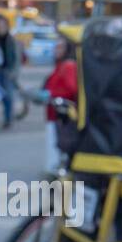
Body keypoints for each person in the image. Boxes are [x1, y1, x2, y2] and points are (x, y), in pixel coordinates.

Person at [41, 37, 78, 175]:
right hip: (54, 113)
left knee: (58, 147)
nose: (56, 50)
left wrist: (51, 94)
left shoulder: (68, 66)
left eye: (60, 47)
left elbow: (72, 89)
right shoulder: (61, 65)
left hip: (61, 114)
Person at [0, 18, 21, 129]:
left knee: (8, 97)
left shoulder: (11, 40)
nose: (0, 28)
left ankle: (8, 119)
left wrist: (14, 73)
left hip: (7, 71)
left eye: (2, 26)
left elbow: (17, 58)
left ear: (7, 27)